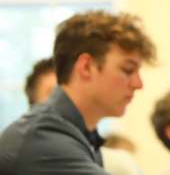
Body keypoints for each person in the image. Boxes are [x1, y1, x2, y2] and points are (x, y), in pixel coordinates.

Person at [0, 10, 157, 174]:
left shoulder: (79, 134)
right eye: (128, 70)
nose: (138, 84)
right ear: (86, 67)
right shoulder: (44, 139)